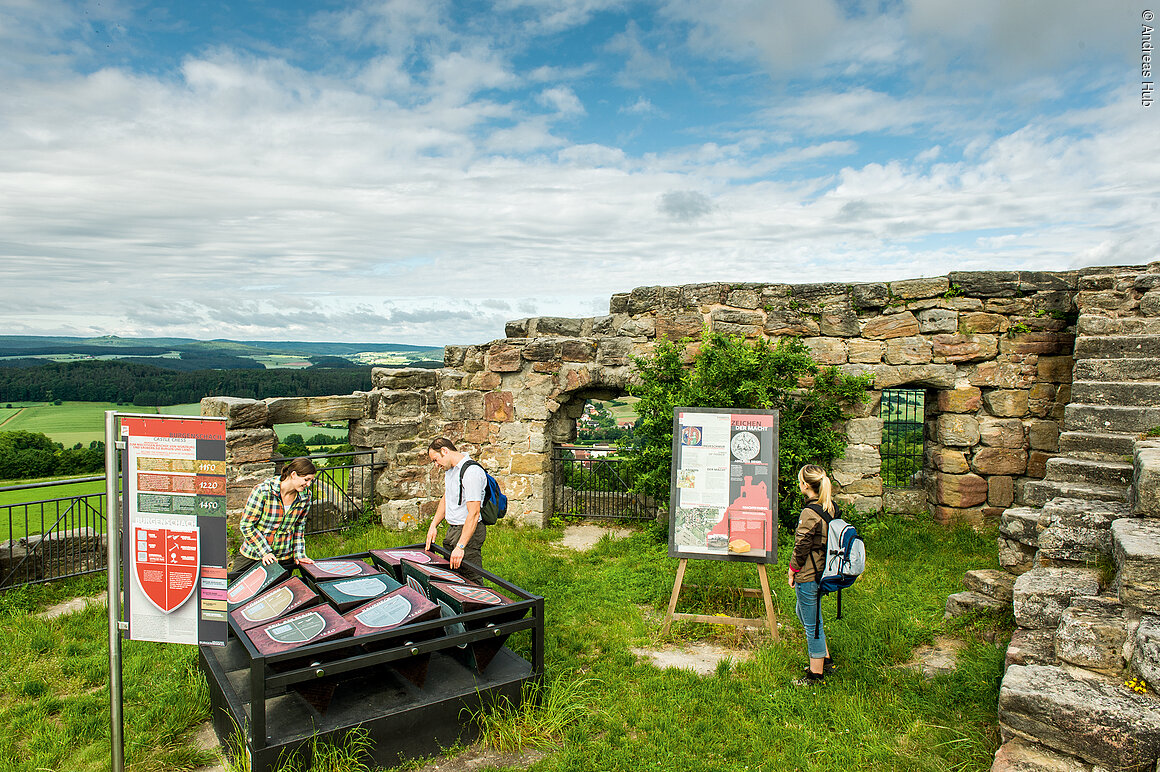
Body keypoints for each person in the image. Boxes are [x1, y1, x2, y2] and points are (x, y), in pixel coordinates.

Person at [787, 464, 836, 685]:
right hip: (822, 569)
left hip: (809, 573)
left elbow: (801, 545)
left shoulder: (809, 512)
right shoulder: (829, 506)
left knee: (812, 624)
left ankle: (816, 674)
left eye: (800, 481)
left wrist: (792, 570)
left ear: (805, 485)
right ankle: (824, 657)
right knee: (805, 613)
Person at [233, 457, 317, 575]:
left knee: (277, 592)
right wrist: (265, 552)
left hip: (283, 557)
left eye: (310, 481)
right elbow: (246, 525)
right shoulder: (263, 491)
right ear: (293, 474)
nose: (308, 484)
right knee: (236, 589)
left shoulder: (305, 496)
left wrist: (300, 554)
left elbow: (299, 526)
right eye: (306, 479)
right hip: (253, 554)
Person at [424, 438, 487, 582]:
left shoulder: (471, 472)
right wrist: (433, 525)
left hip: (469, 532)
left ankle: (482, 604)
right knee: (453, 578)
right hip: (453, 530)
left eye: (435, 459)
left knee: (472, 579)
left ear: (445, 451)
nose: (436, 465)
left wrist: (460, 546)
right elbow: (447, 498)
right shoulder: (451, 470)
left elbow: (474, 513)